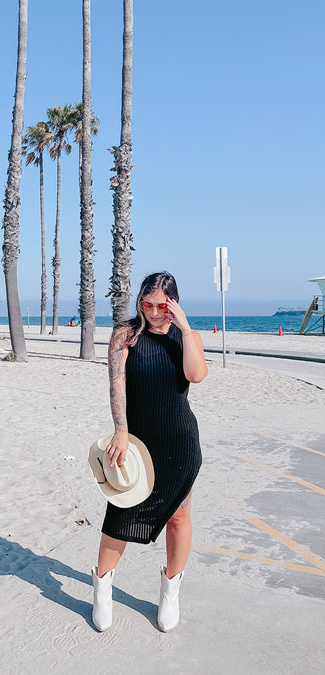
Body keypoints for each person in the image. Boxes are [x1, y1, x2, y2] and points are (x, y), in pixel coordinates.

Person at [92, 271, 208, 632]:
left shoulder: (185, 337)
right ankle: (102, 587)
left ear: (174, 303)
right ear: (139, 302)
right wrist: (120, 430)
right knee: (121, 516)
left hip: (180, 442)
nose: (154, 312)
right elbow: (116, 383)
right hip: (137, 443)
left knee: (178, 517)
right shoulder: (125, 334)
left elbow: (196, 375)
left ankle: (170, 591)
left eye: (162, 305)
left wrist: (185, 329)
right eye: (147, 304)